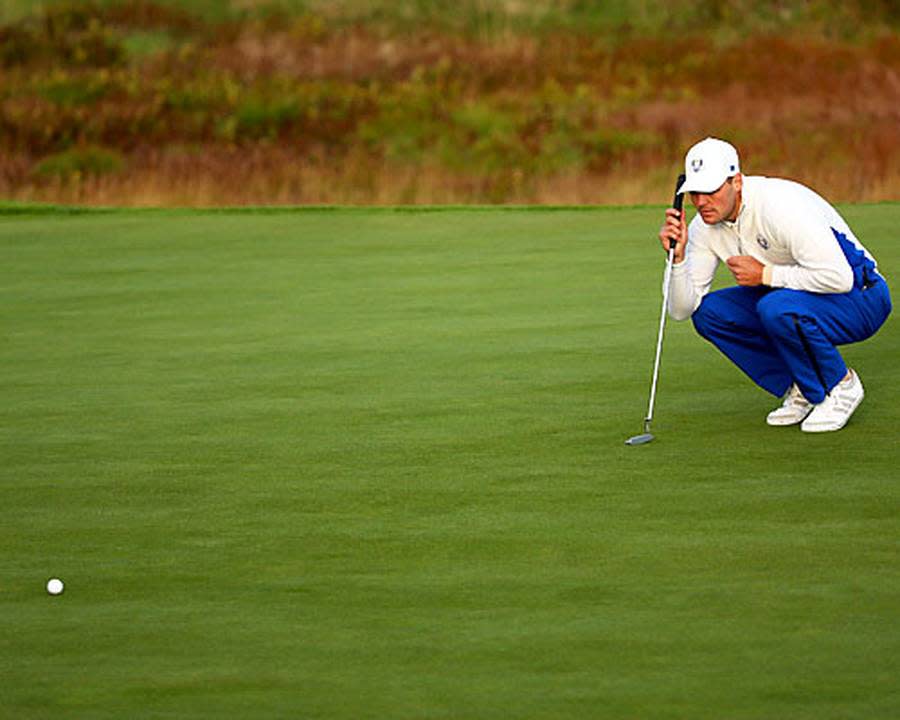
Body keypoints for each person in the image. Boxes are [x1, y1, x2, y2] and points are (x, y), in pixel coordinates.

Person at [658, 137, 891, 432]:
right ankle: (803, 388)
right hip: (796, 297)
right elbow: (681, 310)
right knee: (710, 313)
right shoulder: (704, 226)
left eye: (711, 190)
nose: (701, 202)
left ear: (736, 181)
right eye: (694, 192)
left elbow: (839, 277)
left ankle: (842, 385)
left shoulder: (779, 206)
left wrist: (766, 275)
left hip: (862, 297)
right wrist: (676, 259)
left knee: (776, 306)